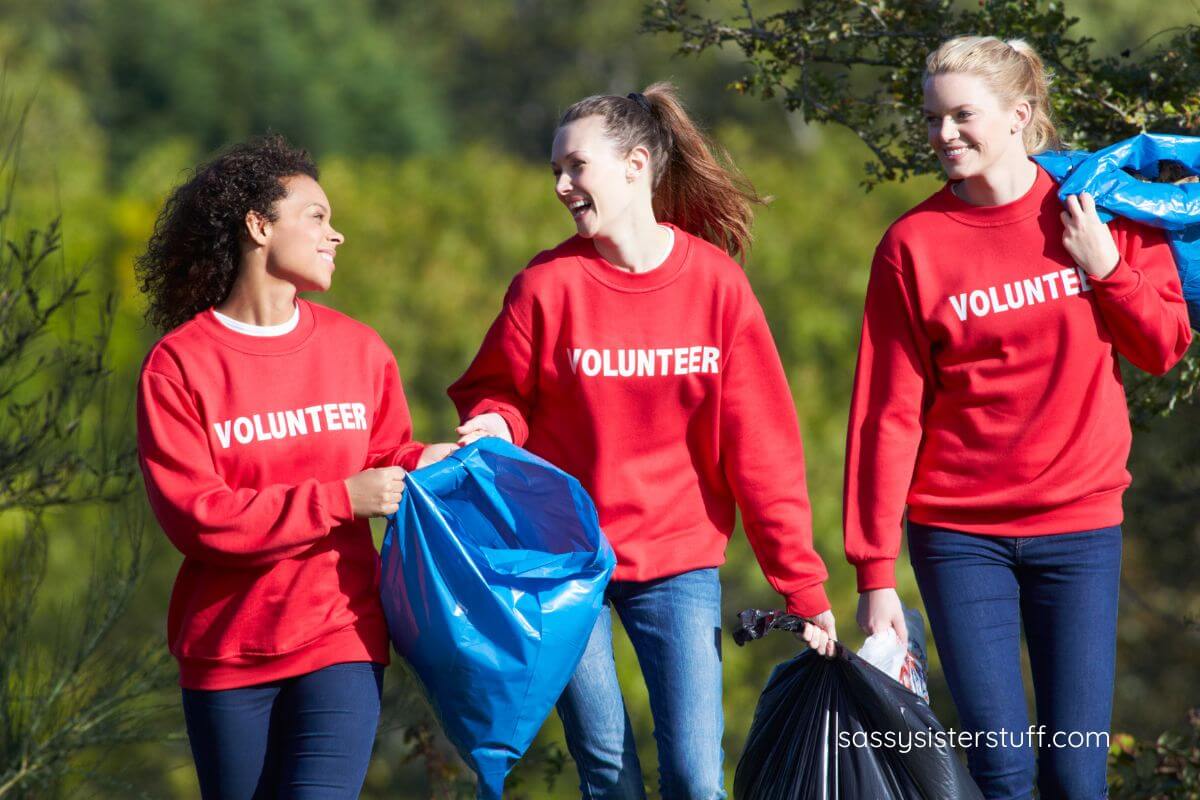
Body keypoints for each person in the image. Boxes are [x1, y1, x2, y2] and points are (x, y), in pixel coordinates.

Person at [448, 83, 837, 799]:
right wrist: (499, 420)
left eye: (576, 166)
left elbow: (763, 451)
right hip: (566, 564)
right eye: (555, 171)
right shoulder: (546, 285)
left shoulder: (717, 288)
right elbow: (493, 387)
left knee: (694, 775)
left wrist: (803, 587)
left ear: (634, 164)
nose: (562, 185)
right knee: (607, 771)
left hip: (677, 561)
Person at [843, 36, 1191, 800]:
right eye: (932, 119)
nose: (944, 135)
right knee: (1001, 772)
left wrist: (1107, 268)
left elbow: (1164, 346)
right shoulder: (912, 246)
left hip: (1080, 529)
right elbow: (885, 415)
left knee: (1074, 772)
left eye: (962, 115)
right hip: (960, 537)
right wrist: (875, 571)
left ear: (1019, 115)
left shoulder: (1097, 210)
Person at [135, 134, 454, 799]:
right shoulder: (180, 365)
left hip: (340, 634)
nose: (336, 236)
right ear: (259, 226)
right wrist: (341, 498)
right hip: (227, 648)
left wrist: (430, 462)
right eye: (317, 217)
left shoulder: (360, 350)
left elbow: (380, 457)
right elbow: (202, 522)